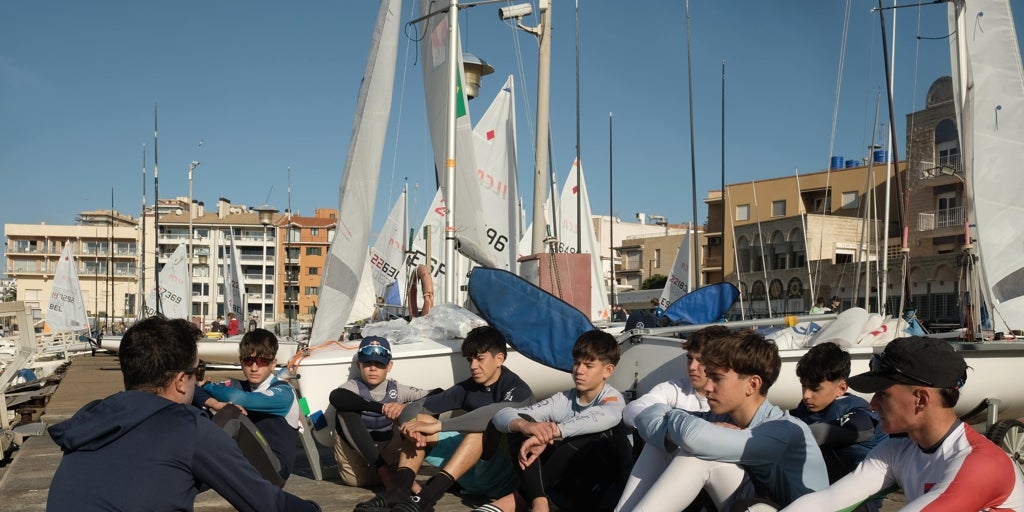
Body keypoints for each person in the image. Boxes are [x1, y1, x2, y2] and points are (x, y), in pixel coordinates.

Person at [46, 316, 319, 511]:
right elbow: (268, 504)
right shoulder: (188, 430)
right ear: (180, 381)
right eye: (197, 372)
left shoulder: (89, 421)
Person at [783, 336, 1024, 511]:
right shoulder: (895, 452)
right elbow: (827, 502)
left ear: (921, 399)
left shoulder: (983, 464)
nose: (872, 405)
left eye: (882, 394)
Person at [630, 330, 829, 510]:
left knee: (696, 455)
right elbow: (646, 415)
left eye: (716, 378)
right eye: (708, 377)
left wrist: (673, 420)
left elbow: (693, 436)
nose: (708, 387)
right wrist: (669, 432)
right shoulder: (721, 417)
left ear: (752, 385)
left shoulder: (783, 430)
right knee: (660, 443)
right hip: (753, 504)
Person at [354, 325, 534, 512]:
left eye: (479, 359)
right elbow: (415, 407)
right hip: (470, 477)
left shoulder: (518, 389)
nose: (473, 366)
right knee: (420, 421)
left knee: (479, 430)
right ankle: (399, 491)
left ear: (499, 359)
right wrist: (411, 427)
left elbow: (494, 414)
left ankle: (426, 499)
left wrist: (439, 426)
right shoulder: (467, 388)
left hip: (506, 482)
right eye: (470, 359)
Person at [478, 330, 626, 512]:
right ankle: (539, 502)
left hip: (606, 486)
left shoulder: (612, 399)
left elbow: (607, 416)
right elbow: (502, 415)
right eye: (576, 363)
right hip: (568, 482)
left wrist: (553, 432)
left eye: (588, 366)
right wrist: (527, 426)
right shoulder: (563, 399)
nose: (579, 371)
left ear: (607, 371)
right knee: (523, 426)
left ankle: (522, 500)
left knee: (590, 434)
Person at [615, 324, 731, 512]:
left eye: (701, 361)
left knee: (683, 446)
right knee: (660, 442)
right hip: (683, 480)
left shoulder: (733, 399)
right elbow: (631, 412)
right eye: (690, 358)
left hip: (721, 486)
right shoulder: (676, 388)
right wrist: (671, 431)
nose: (692, 367)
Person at [328, 335, 433, 487]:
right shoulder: (352, 387)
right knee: (345, 410)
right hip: (359, 464)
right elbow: (336, 397)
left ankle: (401, 470)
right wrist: (382, 408)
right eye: (367, 363)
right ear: (358, 365)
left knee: (420, 411)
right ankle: (385, 472)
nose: (373, 368)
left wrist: (407, 407)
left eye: (379, 364)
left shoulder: (397, 389)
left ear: (389, 366)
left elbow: (439, 394)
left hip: (389, 454)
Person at [197, 328, 301, 482]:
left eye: (262, 361)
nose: (254, 368)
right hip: (246, 463)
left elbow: (238, 398)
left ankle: (200, 463)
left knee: (230, 413)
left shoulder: (284, 392)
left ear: (273, 364)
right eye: (248, 361)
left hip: (274, 470)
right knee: (195, 406)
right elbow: (193, 389)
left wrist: (206, 386)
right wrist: (213, 402)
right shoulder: (238, 385)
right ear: (241, 362)